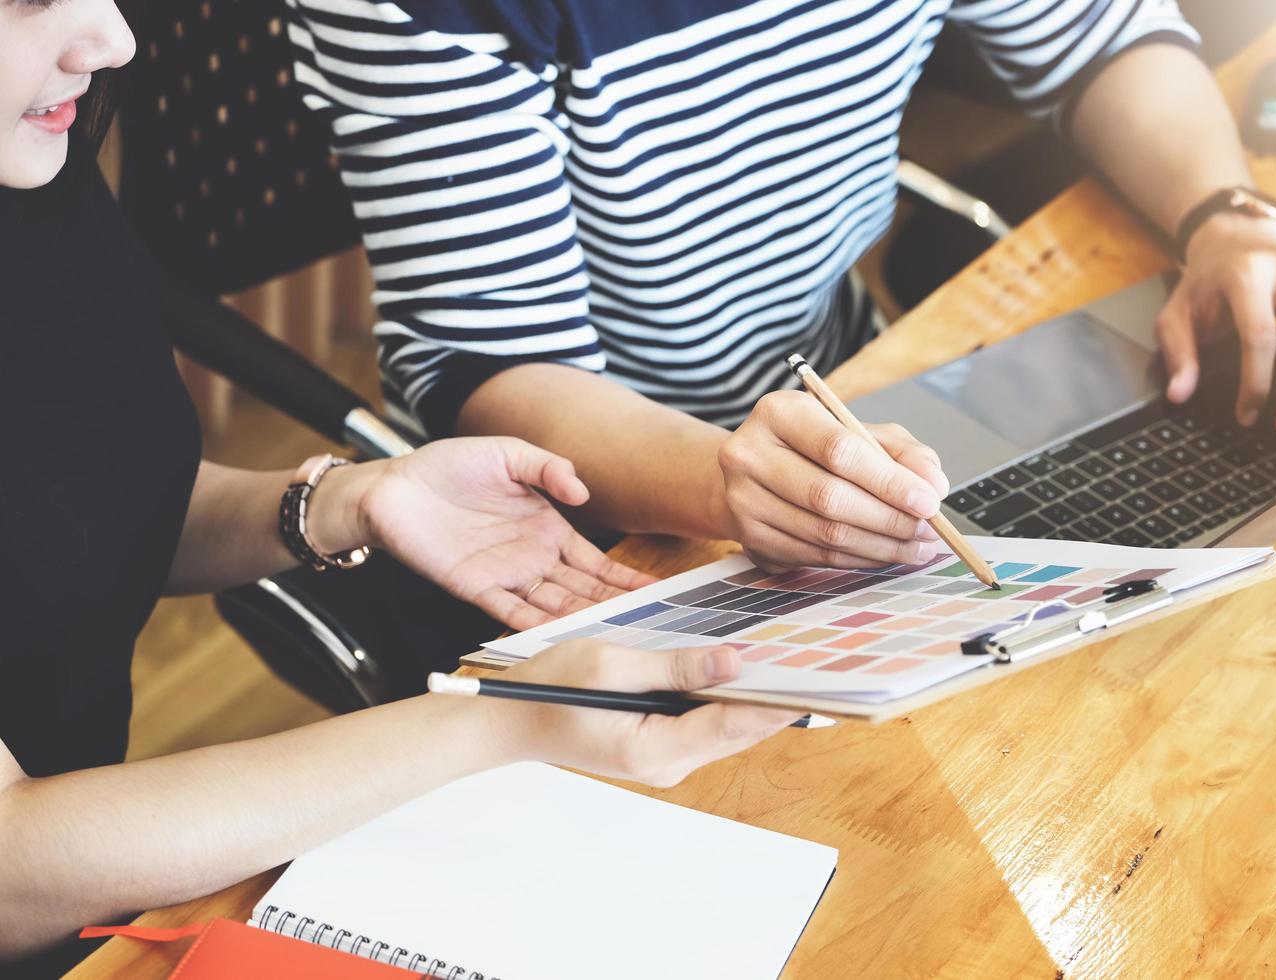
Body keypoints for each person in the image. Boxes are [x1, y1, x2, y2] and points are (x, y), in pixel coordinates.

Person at [0, 1, 799, 972]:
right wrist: (506, 717)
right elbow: (16, 864)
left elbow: (78, 520)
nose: (117, 40)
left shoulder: (36, 171)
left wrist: (342, 502)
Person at [286, 0, 1276, 573]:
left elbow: (1100, 39)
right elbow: (495, 361)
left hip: (851, 398)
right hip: (600, 509)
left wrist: (1228, 218)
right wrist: (728, 479)